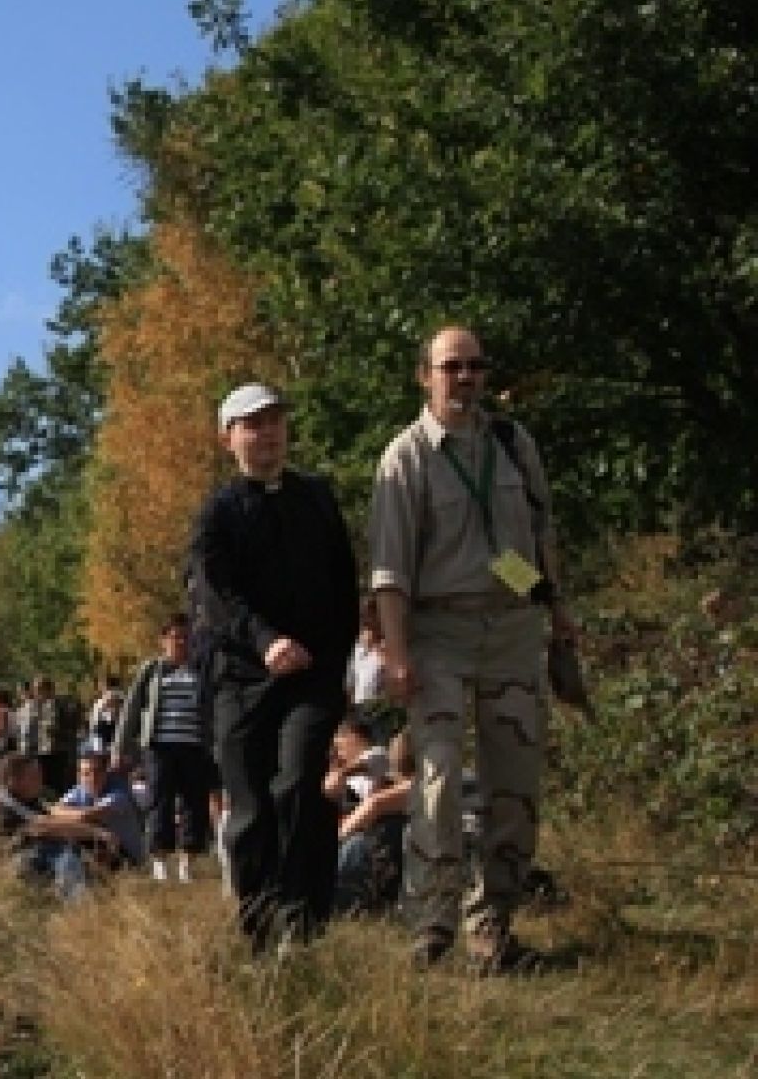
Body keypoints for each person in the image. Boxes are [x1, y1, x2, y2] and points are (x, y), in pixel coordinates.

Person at [369, 326, 575, 974]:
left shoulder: (512, 446)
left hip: (512, 630)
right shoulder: (405, 459)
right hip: (438, 634)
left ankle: (493, 930)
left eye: (475, 367)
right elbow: (389, 572)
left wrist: (558, 615)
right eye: (451, 367)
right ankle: (430, 928)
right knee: (436, 785)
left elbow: (532, 541)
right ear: (424, 376)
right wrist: (398, 654)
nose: (465, 378)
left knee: (514, 783)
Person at [192, 383, 360, 953]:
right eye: (252, 425)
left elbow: (343, 581)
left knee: (299, 786)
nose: (267, 434)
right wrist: (265, 641)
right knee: (251, 807)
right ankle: (258, 928)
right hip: (242, 681)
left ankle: (304, 923)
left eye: (274, 422)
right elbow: (215, 597)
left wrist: (341, 659)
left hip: (312, 676)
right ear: (228, 438)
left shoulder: (315, 498)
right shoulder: (218, 514)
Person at [116, 614, 220, 884]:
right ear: (164, 640)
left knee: (193, 803)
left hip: (194, 747)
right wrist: (120, 747)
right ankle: (160, 859)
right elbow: (131, 709)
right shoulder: (151, 671)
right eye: (176, 637)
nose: (182, 642)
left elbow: (214, 711)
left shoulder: (201, 672)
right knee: (159, 802)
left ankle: (188, 861)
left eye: (186, 638)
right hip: (159, 747)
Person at [0, 754, 105, 900]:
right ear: (13, 780)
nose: (40, 781)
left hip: (22, 859)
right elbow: (44, 827)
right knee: (64, 855)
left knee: (71, 848)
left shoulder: (26, 799)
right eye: (34, 776)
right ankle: (79, 908)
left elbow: (51, 819)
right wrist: (97, 833)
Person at [325, 722, 411, 915]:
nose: (338, 754)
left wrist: (339, 774)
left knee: (355, 847)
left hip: (365, 833)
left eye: (338, 747)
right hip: (357, 824)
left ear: (353, 736)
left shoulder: (375, 755)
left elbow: (374, 804)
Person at [50, 751, 147, 869]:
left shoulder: (119, 792)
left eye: (97, 771)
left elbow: (87, 816)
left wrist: (68, 814)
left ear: (106, 772)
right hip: (103, 845)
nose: (92, 778)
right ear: (79, 775)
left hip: (127, 857)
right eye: (86, 773)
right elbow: (54, 809)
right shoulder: (80, 789)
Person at [16, 676, 82, 796]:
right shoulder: (40, 705)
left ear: (47, 689)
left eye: (38, 689)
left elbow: (61, 726)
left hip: (56, 751)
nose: (35, 693)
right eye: (35, 689)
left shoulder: (59, 704)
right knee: (47, 783)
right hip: (44, 751)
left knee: (56, 783)